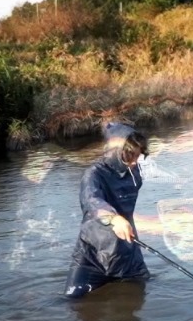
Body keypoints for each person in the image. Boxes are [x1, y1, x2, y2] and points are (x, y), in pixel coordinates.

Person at [64, 122, 151, 298]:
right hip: (92, 254)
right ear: (116, 152)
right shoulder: (93, 174)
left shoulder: (134, 173)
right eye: (130, 156)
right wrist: (113, 218)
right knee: (72, 300)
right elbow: (91, 200)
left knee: (139, 294)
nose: (135, 162)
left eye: (138, 156)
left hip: (126, 249)